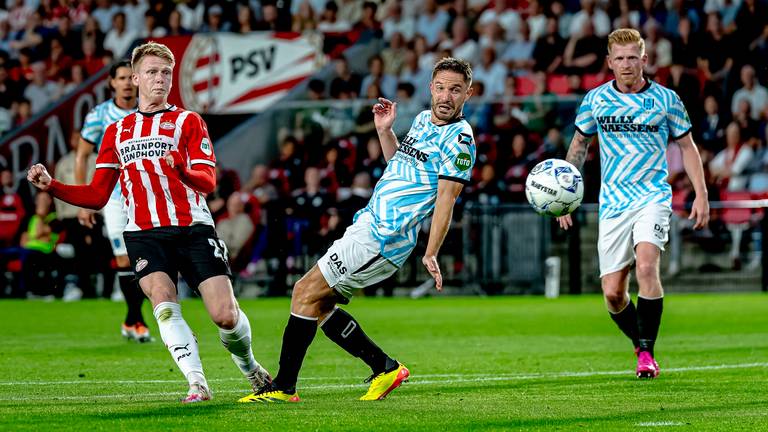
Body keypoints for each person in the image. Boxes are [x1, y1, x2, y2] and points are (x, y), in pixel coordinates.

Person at [27, 41, 270, 403]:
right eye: (153, 72)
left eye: (166, 73)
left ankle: (251, 368)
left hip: (193, 228)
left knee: (224, 315)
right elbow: (97, 195)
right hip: (143, 232)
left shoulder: (189, 121)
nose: (160, 79)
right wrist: (53, 186)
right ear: (137, 78)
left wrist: (182, 168)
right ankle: (196, 383)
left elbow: (208, 181)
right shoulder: (117, 132)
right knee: (162, 300)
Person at [238, 57, 476, 403]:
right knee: (318, 305)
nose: (445, 96)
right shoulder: (424, 120)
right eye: (440, 87)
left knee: (304, 291)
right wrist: (385, 131)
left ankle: (283, 386)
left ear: (468, 93)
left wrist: (431, 251)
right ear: (431, 88)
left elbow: (446, 199)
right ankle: (385, 367)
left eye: (455, 90)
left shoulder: (460, 141)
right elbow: (400, 166)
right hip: (368, 223)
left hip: (384, 236)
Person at [557, 28, 709, 379]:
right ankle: (641, 347)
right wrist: (565, 198)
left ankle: (648, 354)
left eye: (632, 57)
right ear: (610, 63)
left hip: (652, 196)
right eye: (619, 59)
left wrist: (701, 194)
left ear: (644, 59)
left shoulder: (666, 99)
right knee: (613, 294)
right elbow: (579, 147)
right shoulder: (596, 100)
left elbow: (687, 147)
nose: (626, 65)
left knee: (645, 268)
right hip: (613, 203)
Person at [75, 60, 151, 342]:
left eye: (130, 78)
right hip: (115, 196)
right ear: (112, 83)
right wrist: (85, 199)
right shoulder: (99, 115)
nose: (127, 83)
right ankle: (137, 320)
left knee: (145, 256)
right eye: (121, 78)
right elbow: (82, 154)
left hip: (147, 195)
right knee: (123, 257)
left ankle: (132, 320)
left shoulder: (149, 110)